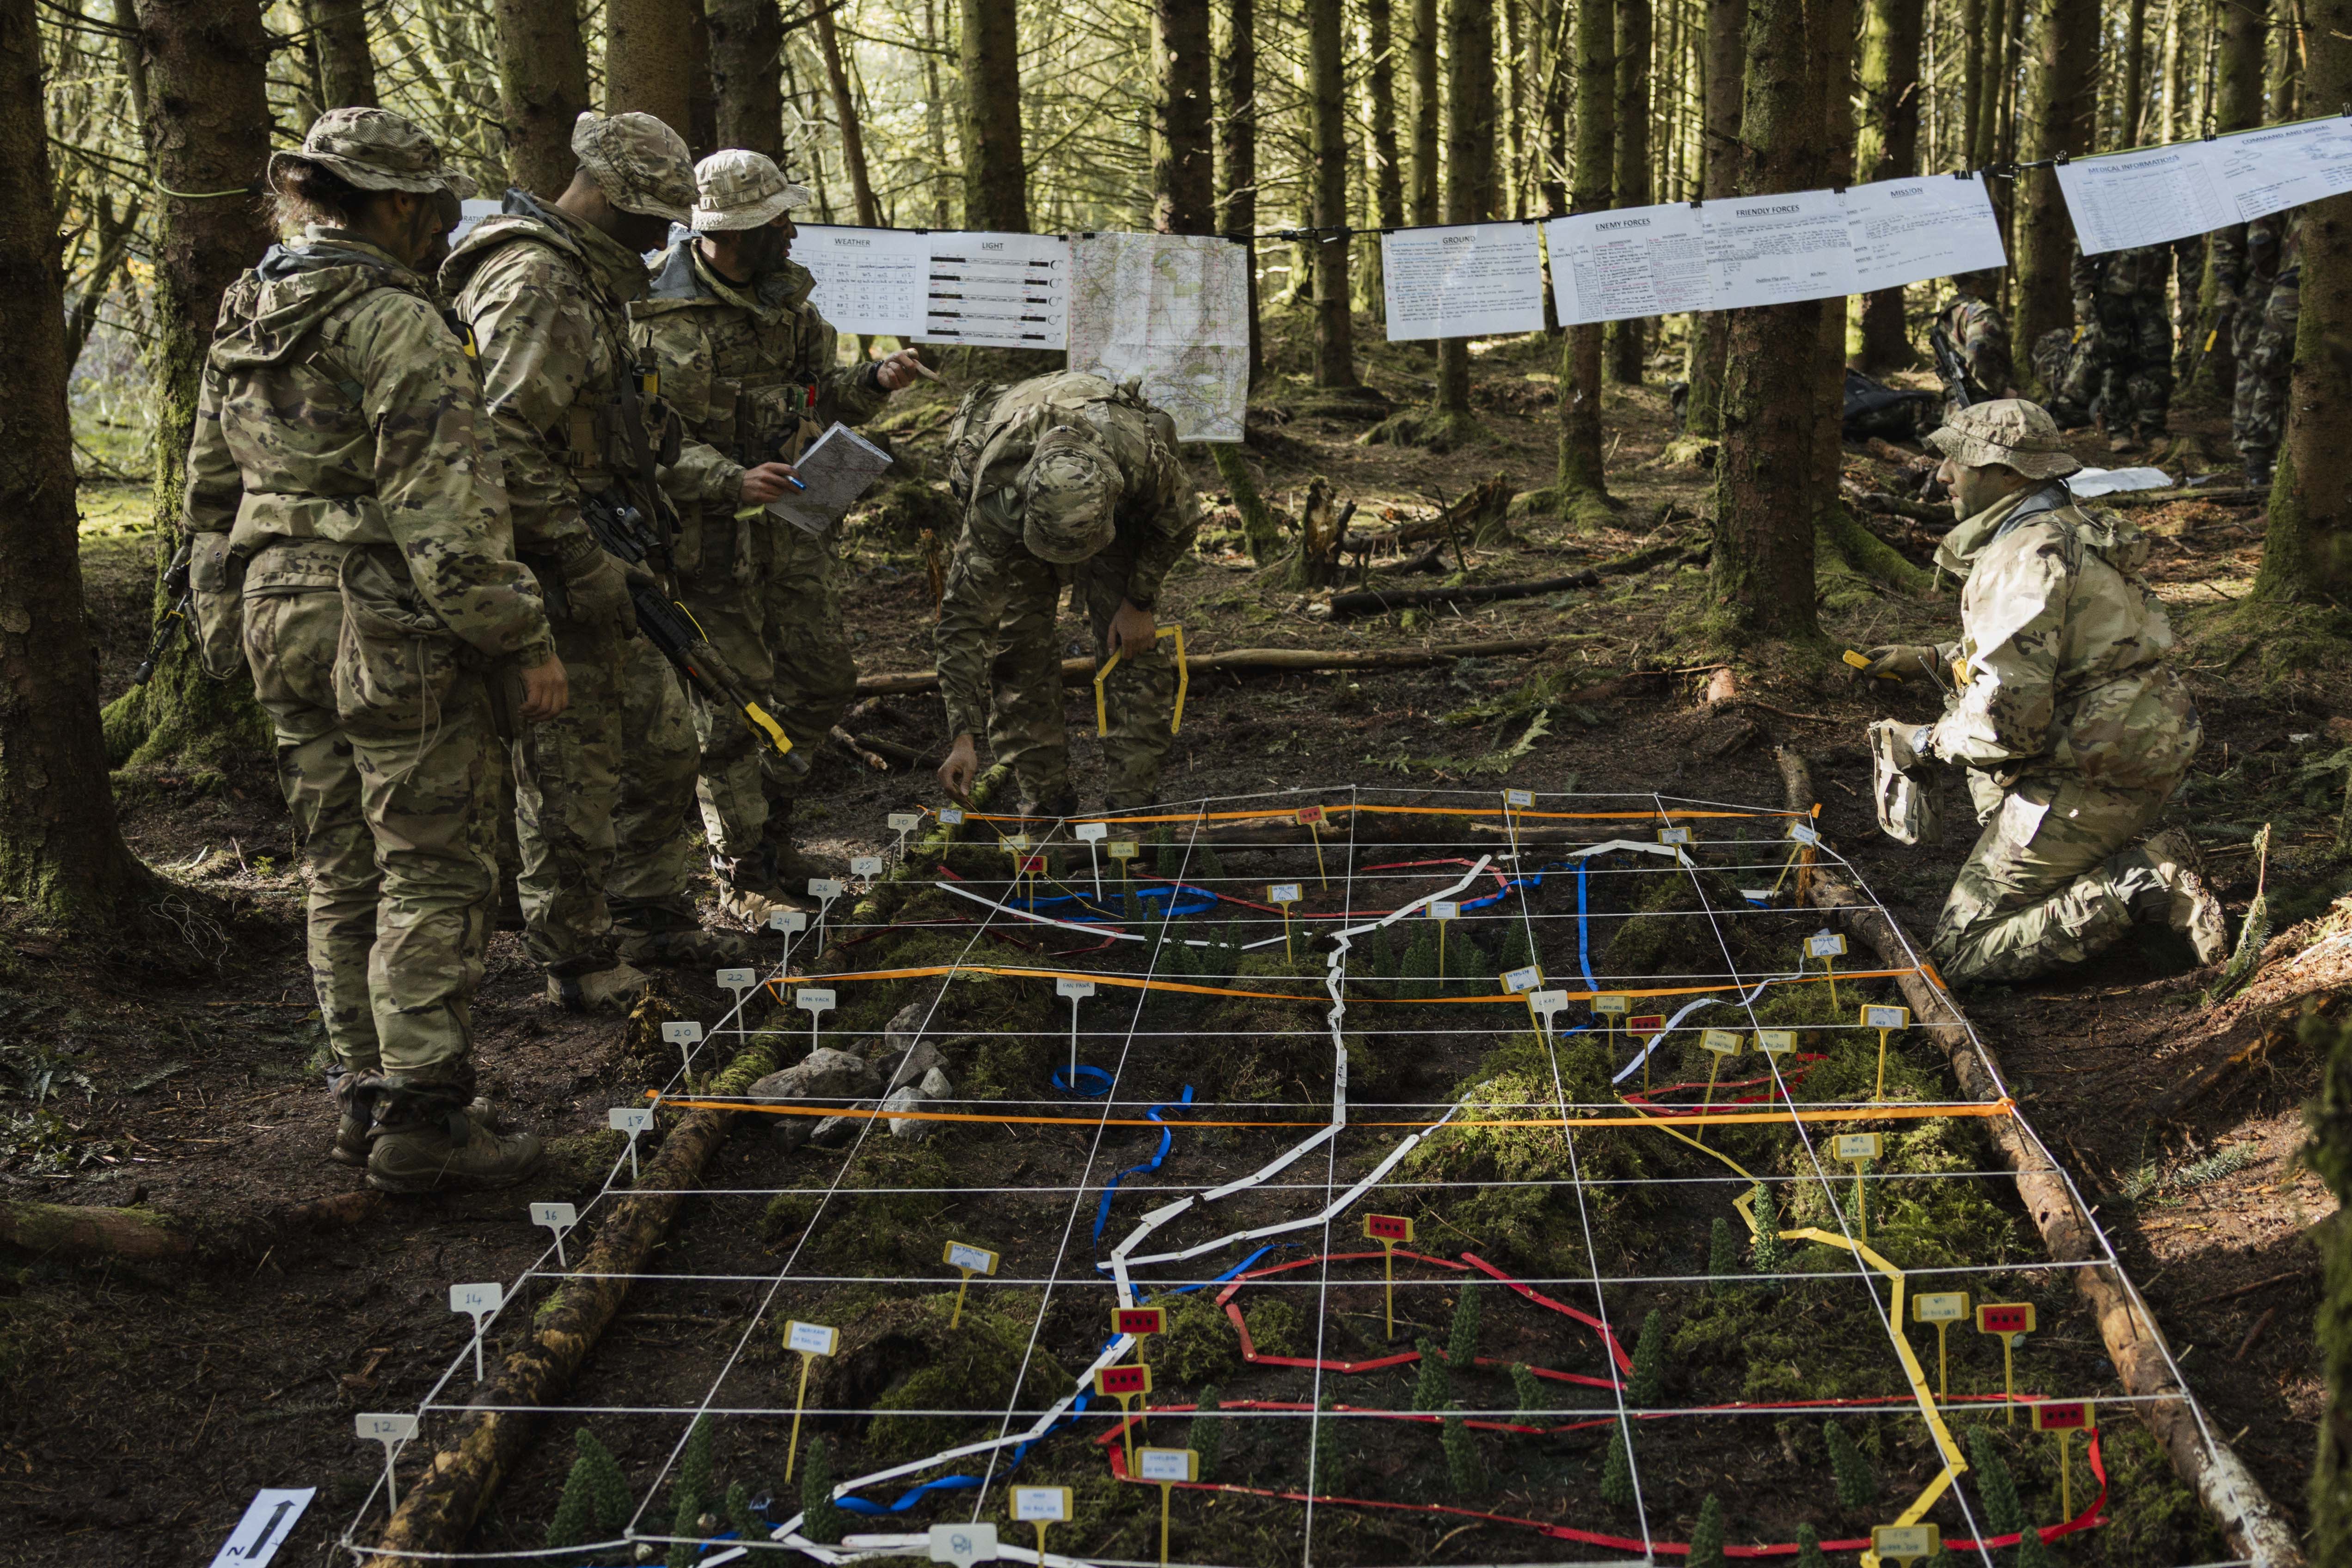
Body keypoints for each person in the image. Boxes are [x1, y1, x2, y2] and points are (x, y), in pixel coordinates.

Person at [182, 109, 562, 1191]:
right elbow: (446, 512)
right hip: (384, 621)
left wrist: (221, 614)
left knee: (338, 863)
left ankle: (361, 1094)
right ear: (394, 203)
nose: (440, 223)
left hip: (276, 610)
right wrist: (521, 636)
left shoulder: (248, 305)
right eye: (431, 204)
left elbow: (209, 488)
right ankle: (423, 1117)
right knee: (430, 862)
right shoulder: (397, 319)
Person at [443, 111, 728, 1005]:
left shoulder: (581, 279)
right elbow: (498, 440)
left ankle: (647, 912)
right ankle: (574, 955)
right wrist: (578, 555)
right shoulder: (537, 280)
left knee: (662, 743)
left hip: (603, 551)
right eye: (650, 218)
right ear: (606, 197)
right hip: (553, 567)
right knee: (572, 770)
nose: (659, 238)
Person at [631, 149, 924, 913]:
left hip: (793, 528)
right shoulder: (652, 314)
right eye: (777, 221)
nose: (791, 232)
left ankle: (769, 832)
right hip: (704, 544)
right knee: (731, 709)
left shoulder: (790, 304)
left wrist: (874, 381)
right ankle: (744, 875)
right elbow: (638, 443)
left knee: (823, 680)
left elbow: (818, 398)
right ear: (734, 232)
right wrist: (728, 478)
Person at [1858, 399, 2226, 986]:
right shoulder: (2067, 526)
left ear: (2010, 474)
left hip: (2090, 766)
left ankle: (2146, 882)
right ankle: (2084, 861)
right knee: (1978, 751)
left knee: (1960, 951)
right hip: (2133, 739)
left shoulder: (2024, 556)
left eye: (1960, 461)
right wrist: (1934, 660)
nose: (1943, 475)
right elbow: (2064, 648)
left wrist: (1923, 743)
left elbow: (2006, 721)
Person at [932, 371, 1201, 816]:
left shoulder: (1139, 458)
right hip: (1023, 516)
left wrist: (1139, 600)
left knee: (1132, 650)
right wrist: (963, 737)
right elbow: (964, 619)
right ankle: (1044, 807)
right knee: (1018, 653)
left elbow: (1181, 521)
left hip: (1111, 502)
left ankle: (1133, 810)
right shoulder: (996, 499)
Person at [2068, 243, 2174, 453]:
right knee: (2112, 363)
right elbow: (2085, 245)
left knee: (2158, 362)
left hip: (2152, 297)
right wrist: (2082, 293)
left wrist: (2189, 296)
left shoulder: (2161, 220)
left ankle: (2154, 429)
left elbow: (2188, 248)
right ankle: (2118, 431)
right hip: (2112, 297)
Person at [2232, 216, 2300, 487]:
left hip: (2293, 281)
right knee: (2272, 365)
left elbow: (2261, 238)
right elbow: (2261, 238)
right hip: (2295, 281)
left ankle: (2259, 460)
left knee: (2272, 366)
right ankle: (2258, 460)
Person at [1929, 278, 2018, 410]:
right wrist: (2003, 390)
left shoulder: (1950, 311)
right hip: (1988, 406)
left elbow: (1940, 363)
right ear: (1979, 282)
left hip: (1956, 405)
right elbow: (1977, 358)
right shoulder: (1982, 314)